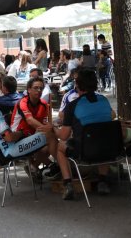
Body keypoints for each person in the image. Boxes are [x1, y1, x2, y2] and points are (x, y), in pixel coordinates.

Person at [0, 80, 57, 178]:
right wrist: (22, 133)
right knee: (49, 135)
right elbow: (9, 138)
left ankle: (40, 166)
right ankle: (60, 169)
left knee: (37, 139)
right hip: (8, 152)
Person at [54, 69, 116, 199]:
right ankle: (102, 180)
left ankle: (68, 184)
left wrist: (53, 128)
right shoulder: (104, 100)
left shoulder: (72, 106)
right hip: (110, 149)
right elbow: (112, 116)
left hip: (84, 151)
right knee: (102, 138)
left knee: (60, 146)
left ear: (77, 84)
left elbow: (64, 135)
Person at [11, 77, 60, 179]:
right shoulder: (23, 102)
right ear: (28, 90)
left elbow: (45, 125)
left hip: (32, 137)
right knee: (50, 137)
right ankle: (58, 166)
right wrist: (49, 129)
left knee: (50, 143)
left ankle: (34, 167)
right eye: (35, 88)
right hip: (17, 141)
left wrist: (49, 127)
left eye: (41, 88)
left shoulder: (44, 104)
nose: (38, 90)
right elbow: (30, 121)